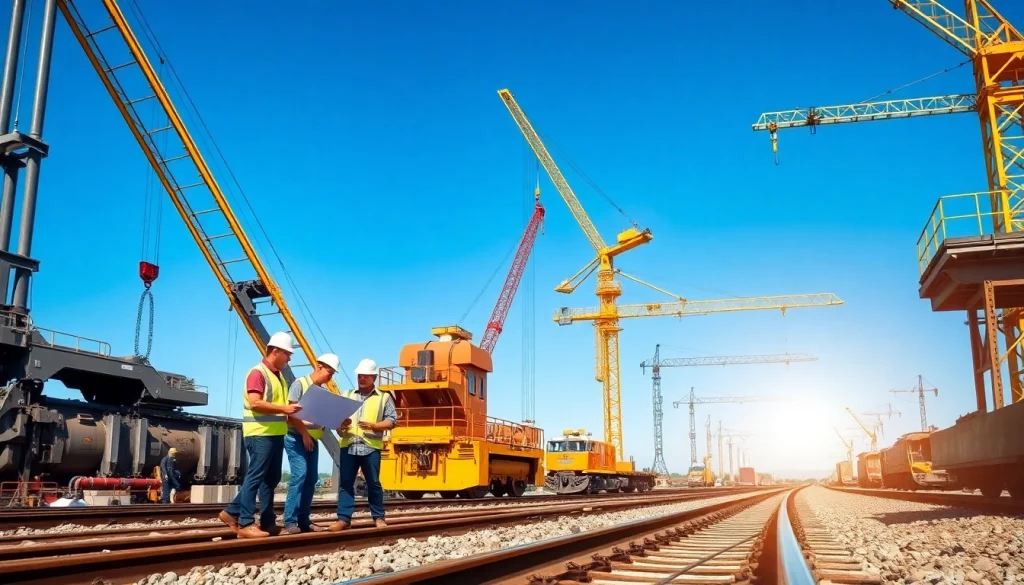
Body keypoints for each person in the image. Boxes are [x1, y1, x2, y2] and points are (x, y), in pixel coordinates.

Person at [218, 331, 301, 538]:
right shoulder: (258, 373)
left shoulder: (279, 376)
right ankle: (245, 522)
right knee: (255, 477)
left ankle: (263, 520)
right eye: (287, 354)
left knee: (270, 479)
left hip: (274, 434)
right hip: (259, 434)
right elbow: (255, 402)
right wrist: (284, 409)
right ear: (275, 351)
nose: (289, 358)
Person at [328, 358, 396, 531]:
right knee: (346, 483)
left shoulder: (384, 398)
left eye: (365, 376)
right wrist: (340, 425)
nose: (361, 378)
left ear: (373, 377)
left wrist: (374, 426)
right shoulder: (347, 394)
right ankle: (343, 519)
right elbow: (337, 420)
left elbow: (392, 421)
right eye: (360, 375)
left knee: (373, 483)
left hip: (370, 447)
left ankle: (378, 517)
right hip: (349, 445)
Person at [282, 352, 340, 534]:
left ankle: (304, 521)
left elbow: (322, 417)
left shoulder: (322, 392)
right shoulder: (299, 384)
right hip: (296, 437)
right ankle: (290, 521)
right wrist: (305, 433)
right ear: (319, 366)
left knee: (311, 479)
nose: (330, 378)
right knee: (300, 475)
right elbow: (291, 414)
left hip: (312, 439)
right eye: (329, 373)